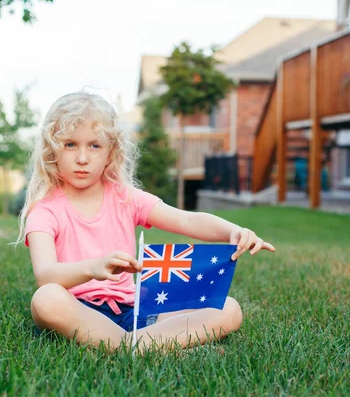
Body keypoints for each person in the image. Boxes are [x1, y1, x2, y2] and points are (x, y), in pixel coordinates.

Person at [17, 91, 275, 352]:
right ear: (52, 150)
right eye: (70, 144)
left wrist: (234, 231)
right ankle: (141, 346)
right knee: (46, 299)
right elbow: (45, 275)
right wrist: (93, 267)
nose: (82, 158)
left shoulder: (125, 198)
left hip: (136, 313)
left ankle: (133, 345)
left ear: (110, 153)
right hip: (79, 312)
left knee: (228, 308)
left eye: (94, 145)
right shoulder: (44, 211)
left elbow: (186, 221)